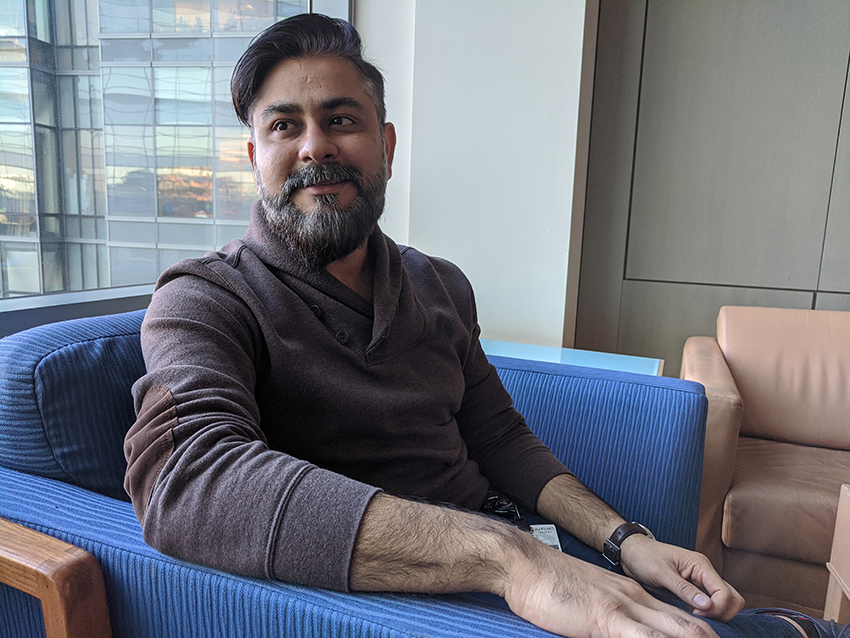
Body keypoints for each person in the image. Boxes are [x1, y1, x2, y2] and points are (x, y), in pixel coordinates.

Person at [123, 14, 843, 638]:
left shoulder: (438, 282)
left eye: (341, 119)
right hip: (404, 593)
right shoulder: (204, 297)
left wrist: (624, 542)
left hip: (517, 547)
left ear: (387, 145)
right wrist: (509, 560)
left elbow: (497, 433)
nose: (315, 146)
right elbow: (189, 479)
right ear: (255, 157)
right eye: (285, 125)